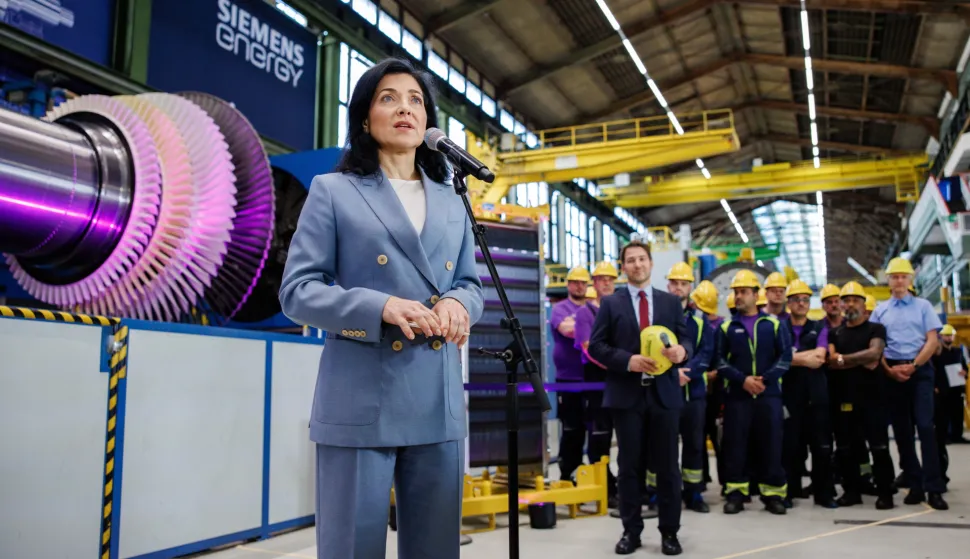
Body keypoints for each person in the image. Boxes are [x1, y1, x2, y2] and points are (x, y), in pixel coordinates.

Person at [279, 57, 484, 559]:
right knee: (352, 547)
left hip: (436, 399)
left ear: (428, 120)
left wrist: (459, 303)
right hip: (360, 396)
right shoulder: (334, 191)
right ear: (365, 119)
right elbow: (298, 291)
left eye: (415, 100)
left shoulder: (453, 201)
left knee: (436, 550)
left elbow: (470, 284)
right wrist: (380, 306)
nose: (405, 108)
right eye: (388, 98)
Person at [589, 240, 692, 556]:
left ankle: (670, 533)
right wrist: (627, 361)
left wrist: (682, 352)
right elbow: (597, 346)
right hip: (627, 395)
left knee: (668, 468)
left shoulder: (670, 302)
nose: (637, 264)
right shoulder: (611, 304)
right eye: (631, 260)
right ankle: (630, 532)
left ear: (651, 263)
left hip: (664, 395)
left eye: (642, 259)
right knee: (629, 467)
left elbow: (686, 338)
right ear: (624, 268)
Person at [870, 257, 948, 510]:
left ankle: (934, 488)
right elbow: (876, 347)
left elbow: (932, 341)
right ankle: (915, 484)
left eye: (903, 276)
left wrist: (914, 365)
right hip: (892, 372)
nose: (899, 281)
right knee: (902, 431)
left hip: (920, 370)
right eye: (895, 277)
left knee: (925, 427)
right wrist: (889, 370)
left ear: (910, 280)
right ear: (888, 281)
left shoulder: (923, 307)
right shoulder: (880, 311)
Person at [716, 270, 791, 515]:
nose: (739, 296)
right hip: (738, 396)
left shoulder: (774, 324)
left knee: (771, 444)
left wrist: (765, 379)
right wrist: (743, 380)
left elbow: (785, 357)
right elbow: (719, 361)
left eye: (744, 292)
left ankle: (773, 494)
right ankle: (736, 493)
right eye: (736, 292)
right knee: (735, 445)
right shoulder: (727, 327)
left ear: (756, 295)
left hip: (769, 395)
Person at [827, 282, 894, 509]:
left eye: (855, 300)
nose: (850, 304)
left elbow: (875, 354)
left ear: (864, 305)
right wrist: (858, 359)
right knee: (847, 448)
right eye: (846, 300)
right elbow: (831, 361)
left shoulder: (876, 329)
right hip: (844, 399)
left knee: (879, 447)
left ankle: (885, 493)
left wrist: (843, 359)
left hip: (873, 399)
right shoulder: (835, 333)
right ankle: (851, 491)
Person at [781, 279, 837, 509]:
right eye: (796, 300)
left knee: (821, 446)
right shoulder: (779, 328)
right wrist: (803, 357)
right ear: (789, 303)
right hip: (789, 394)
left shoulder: (819, 327)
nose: (801, 303)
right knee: (790, 446)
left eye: (805, 299)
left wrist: (790, 358)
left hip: (816, 394)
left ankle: (824, 494)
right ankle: (789, 491)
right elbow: (777, 358)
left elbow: (820, 357)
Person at [666, 263, 714, 513]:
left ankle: (693, 493)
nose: (678, 288)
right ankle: (661, 493)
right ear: (668, 285)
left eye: (683, 284)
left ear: (689, 288)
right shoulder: (658, 317)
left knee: (694, 444)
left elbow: (706, 352)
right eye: (674, 283)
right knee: (664, 444)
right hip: (665, 393)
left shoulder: (700, 320)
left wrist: (688, 373)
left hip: (694, 393)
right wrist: (673, 374)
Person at [573, 262, 619, 506]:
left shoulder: (621, 308)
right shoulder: (585, 313)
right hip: (598, 380)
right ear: (595, 282)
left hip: (622, 379)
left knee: (627, 433)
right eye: (601, 278)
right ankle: (605, 487)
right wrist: (619, 364)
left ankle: (624, 485)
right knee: (600, 435)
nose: (606, 282)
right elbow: (588, 348)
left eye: (610, 278)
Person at [551, 266, 591, 482]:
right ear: (568, 285)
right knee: (572, 429)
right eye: (575, 282)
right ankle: (568, 473)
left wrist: (582, 325)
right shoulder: (560, 308)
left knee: (594, 428)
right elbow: (567, 329)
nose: (579, 286)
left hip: (592, 378)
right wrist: (590, 326)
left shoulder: (593, 306)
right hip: (568, 379)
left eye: (583, 282)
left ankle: (592, 473)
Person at [693, 281, 725, 493]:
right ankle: (702, 477)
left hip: (716, 389)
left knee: (717, 437)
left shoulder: (721, 326)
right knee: (699, 435)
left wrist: (714, 373)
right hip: (699, 386)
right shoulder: (694, 322)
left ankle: (724, 479)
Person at [934, 324, 968, 445]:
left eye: (951, 335)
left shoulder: (957, 352)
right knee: (942, 414)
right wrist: (934, 386)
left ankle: (957, 436)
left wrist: (965, 372)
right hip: (942, 388)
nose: (949, 338)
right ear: (941, 336)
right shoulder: (937, 353)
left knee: (958, 413)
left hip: (957, 386)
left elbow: (964, 367)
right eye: (947, 335)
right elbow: (933, 370)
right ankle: (943, 437)